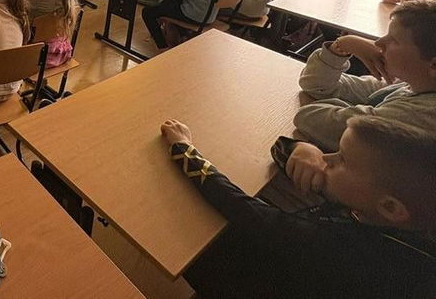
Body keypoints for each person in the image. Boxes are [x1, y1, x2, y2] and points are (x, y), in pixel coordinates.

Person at [160, 116, 436, 299]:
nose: (326, 158)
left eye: (341, 160)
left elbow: (242, 208)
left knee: (190, 240)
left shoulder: (336, 248)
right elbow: (282, 149)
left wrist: (184, 149)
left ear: (391, 207)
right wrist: (304, 148)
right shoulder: (391, 214)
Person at [293, 0, 436, 151]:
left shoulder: (420, 114)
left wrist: (353, 108)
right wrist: (343, 45)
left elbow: (308, 118)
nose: (378, 43)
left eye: (393, 40)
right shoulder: (408, 84)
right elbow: (316, 85)